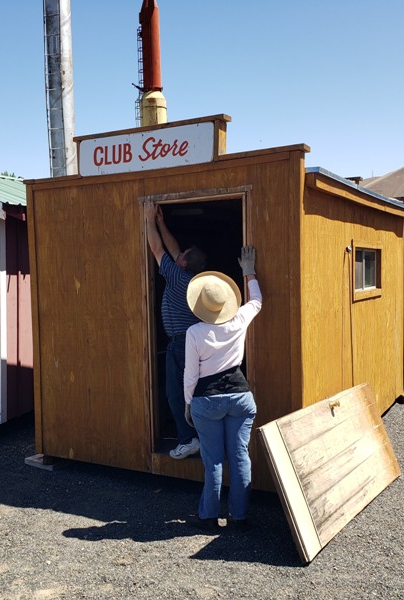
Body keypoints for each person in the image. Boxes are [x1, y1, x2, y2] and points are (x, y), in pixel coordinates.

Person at [183, 246, 262, 531]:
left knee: (213, 460)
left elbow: (190, 375)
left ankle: (209, 516)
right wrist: (249, 271)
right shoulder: (239, 320)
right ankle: (239, 517)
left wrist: (188, 403)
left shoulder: (194, 333)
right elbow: (257, 301)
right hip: (241, 397)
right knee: (240, 455)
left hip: (207, 400)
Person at [143, 199, 207, 459]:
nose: (177, 254)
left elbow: (157, 247)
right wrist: (161, 222)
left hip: (179, 344)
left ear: (181, 264)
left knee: (175, 394)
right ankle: (201, 437)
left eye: (180, 256)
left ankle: (188, 439)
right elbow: (173, 249)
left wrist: (148, 218)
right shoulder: (191, 279)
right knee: (194, 391)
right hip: (192, 342)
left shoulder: (176, 276)